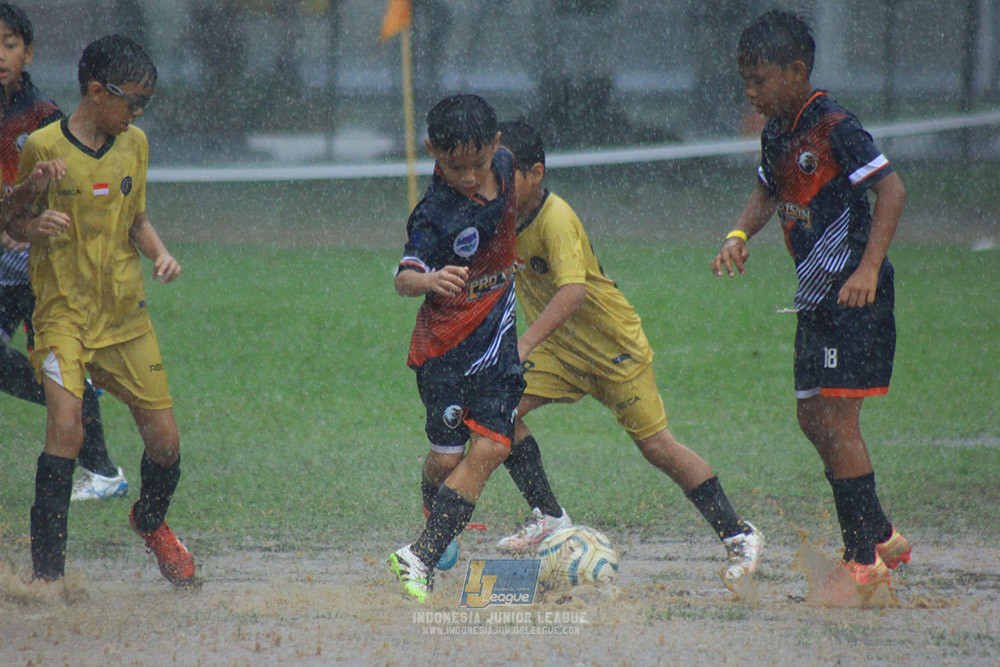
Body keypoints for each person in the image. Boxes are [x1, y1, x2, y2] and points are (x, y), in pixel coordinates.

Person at [495, 119, 764, 588]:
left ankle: (739, 535)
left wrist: (522, 343)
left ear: (535, 174)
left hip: (614, 349)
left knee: (657, 447)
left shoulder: (555, 218)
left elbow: (573, 292)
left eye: (504, 174)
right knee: (498, 412)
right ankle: (550, 517)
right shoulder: (498, 218)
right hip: (562, 353)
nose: (493, 184)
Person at [711, 10, 910, 587]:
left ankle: (862, 560)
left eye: (760, 80)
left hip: (853, 296)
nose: (751, 91)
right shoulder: (778, 129)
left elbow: (892, 189)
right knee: (811, 415)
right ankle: (879, 532)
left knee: (838, 419)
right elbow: (767, 189)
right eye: (745, 80)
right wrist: (738, 234)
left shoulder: (836, 127)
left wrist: (868, 268)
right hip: (815, 299)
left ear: (797, 71)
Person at [7, 34, 196, 586]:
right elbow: (11, 221)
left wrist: (160, 254)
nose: (137, 113)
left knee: (166, 445)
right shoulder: (41, 147)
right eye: (132, 102)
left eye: (144, 105)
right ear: (96, 92)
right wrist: (32, 218)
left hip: (123, 316)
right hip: (63, 315)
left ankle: (151, 521)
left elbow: (135, 218)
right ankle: (49, 580)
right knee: (65, 429)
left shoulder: (134, 143)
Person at [387, 94, 523, 602]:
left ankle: (418, 554)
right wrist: (429, 280)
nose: (467, 177)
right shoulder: (435, 213)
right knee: (447, 462)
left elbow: (525, 191)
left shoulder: (507, 168)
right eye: (452, 165)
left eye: (477, 163)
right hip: (444, 354)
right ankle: (434, 508)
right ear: (431, 151)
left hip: (499, 342)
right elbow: (403, 279)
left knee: (492, 445)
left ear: (496, 146)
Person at [0, 2, 128, 502]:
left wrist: (23, 219)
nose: (1, 55)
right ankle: (70, 401)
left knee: (59, 365)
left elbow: (66, 189)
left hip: (34, 270)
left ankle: (101, 469)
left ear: (28, 52)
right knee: (51, 373)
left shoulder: (42, 117)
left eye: (9, 44)